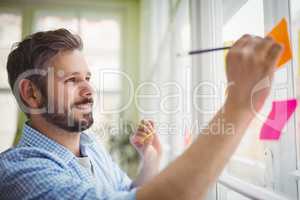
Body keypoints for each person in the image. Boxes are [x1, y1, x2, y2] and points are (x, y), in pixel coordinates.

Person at [0, 29, 282, 200]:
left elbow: (127, 193)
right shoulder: (19, 173)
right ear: (31, 93)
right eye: (72, 80)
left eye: (87, 77)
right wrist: (239, 105)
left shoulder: (89, 145)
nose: (89, 90)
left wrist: (150, 159)